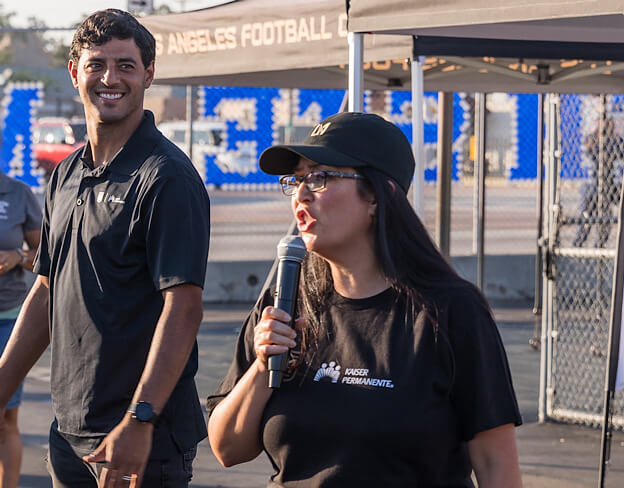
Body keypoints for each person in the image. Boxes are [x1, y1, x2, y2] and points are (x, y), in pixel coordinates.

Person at [207, 112, 523, 487]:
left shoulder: (449, 311)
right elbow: (227, 450)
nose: (302, 194)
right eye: (297, 179)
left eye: (321, 177)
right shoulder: (286, 301)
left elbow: (496, 466)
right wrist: (262, 367)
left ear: (377, 195)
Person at [0, 9, 210, 488]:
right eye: (96, 65)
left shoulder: (166, 177)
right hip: (69, 434)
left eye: (126, 65)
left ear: (149, 74)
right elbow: (47, 291)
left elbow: (184, 309)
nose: (109, 78)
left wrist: (140, 420)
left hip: (140, 438)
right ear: (74, 72)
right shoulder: (66, 175)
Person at [0, 170, 41, 488]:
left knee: (4, 419)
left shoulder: (17, 194)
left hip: (7, 318)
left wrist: (19, 256)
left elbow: (45, 257)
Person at [573, 117, 624, 248]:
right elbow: (590, 150)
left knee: (606, 211)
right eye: (601, 122)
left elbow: (620, 153)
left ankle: (600, 243)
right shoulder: (593, 139)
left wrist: (609, 154)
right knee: (587, 210)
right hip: (595, 184)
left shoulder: (616, 141)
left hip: (610, 185)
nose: (604, 126)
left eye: (607, 122)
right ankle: (580, 240)